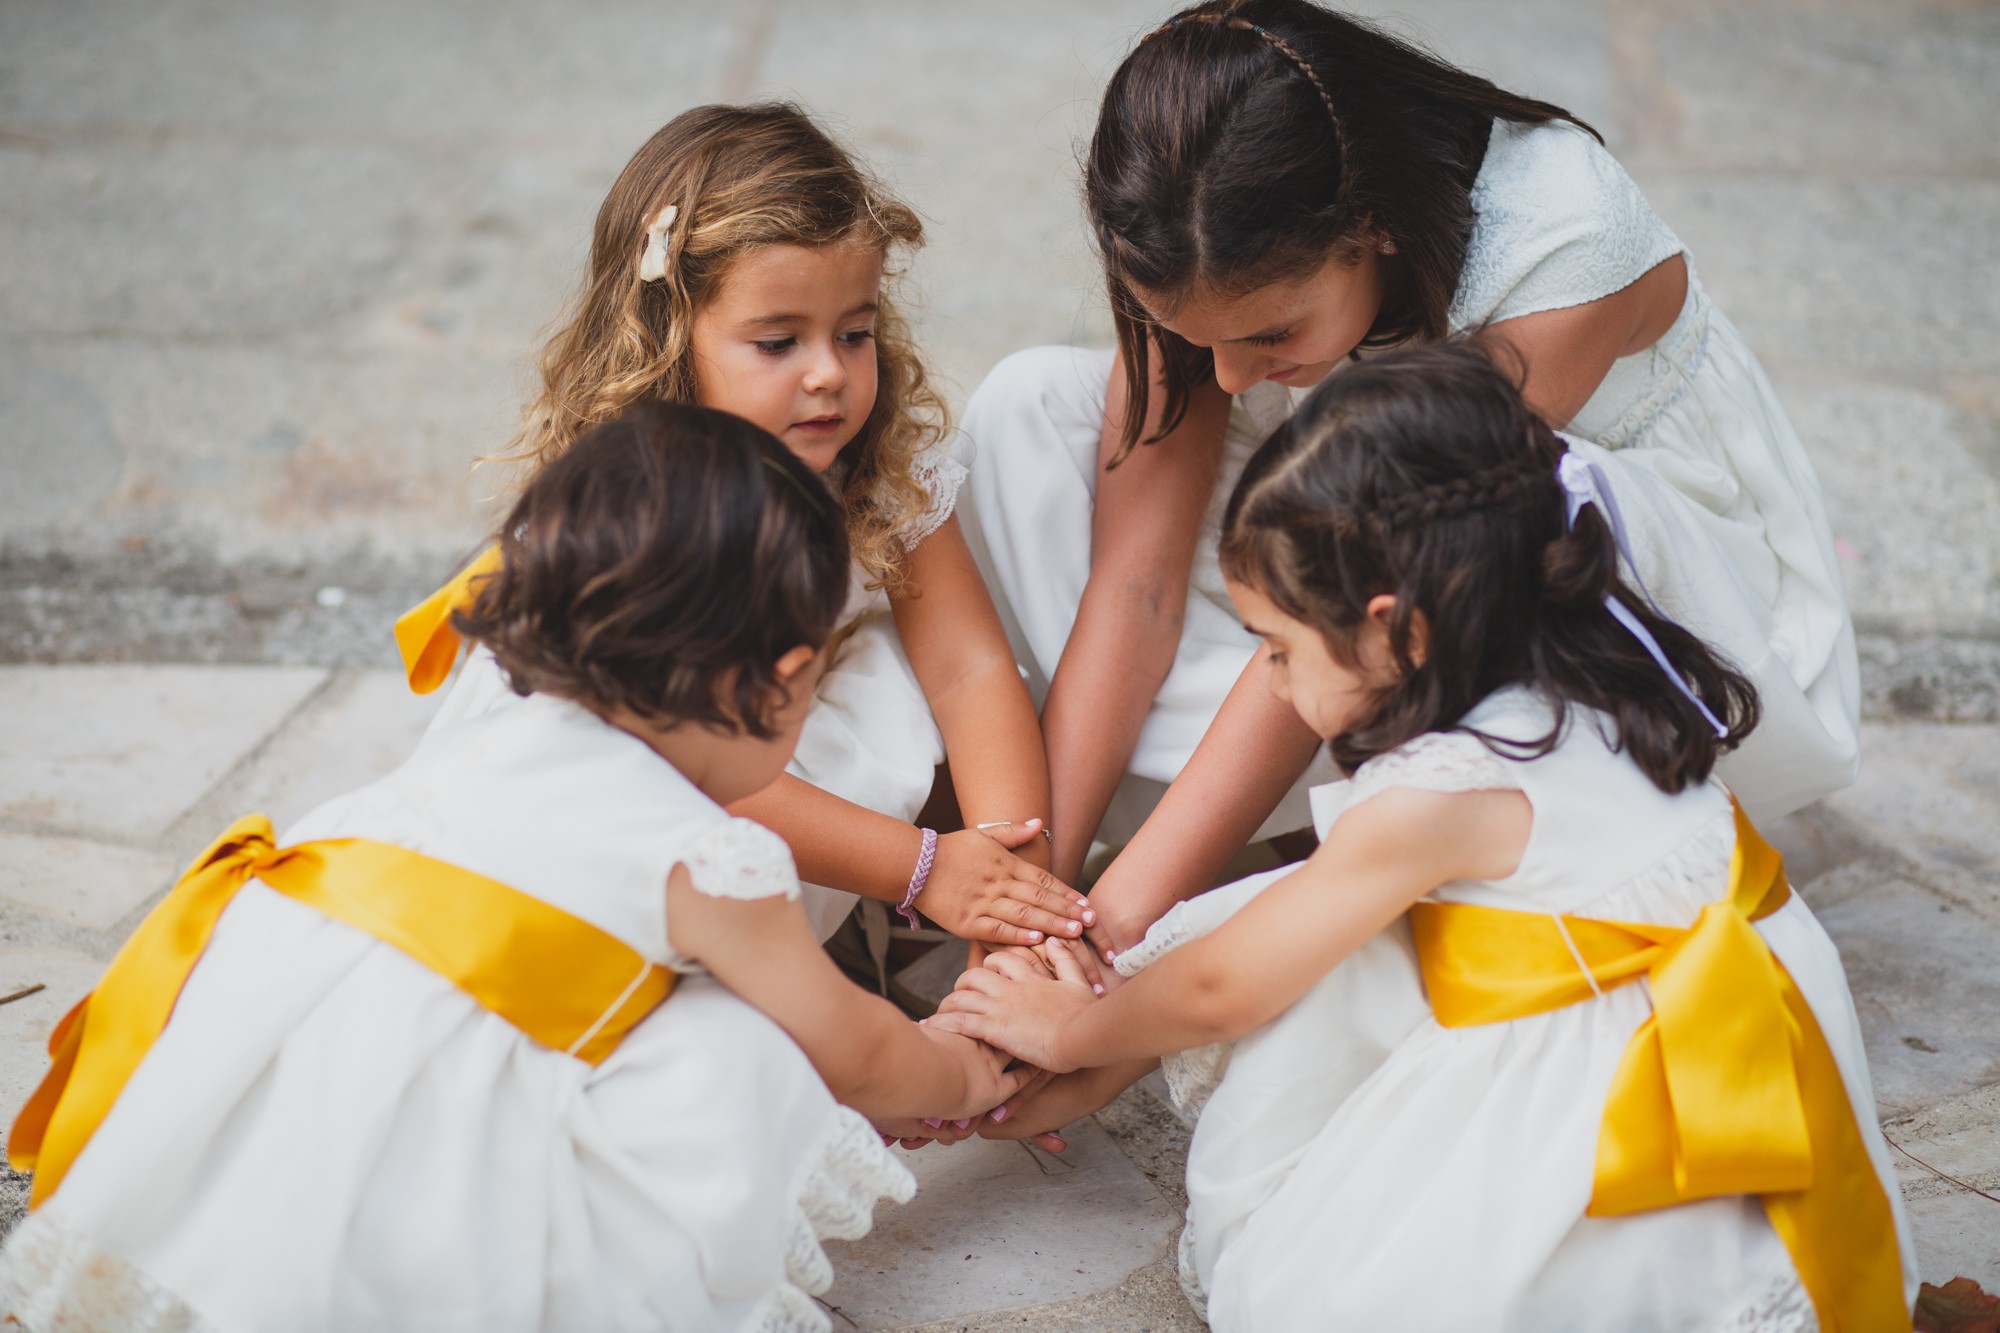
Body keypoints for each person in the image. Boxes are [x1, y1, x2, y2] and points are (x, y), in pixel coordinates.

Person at [939, 345, 1914, 1331]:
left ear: (1396, 630)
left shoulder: (1440, 795)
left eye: (1276, 648)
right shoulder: (1591, 651)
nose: (1269, 683)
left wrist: (1068, 1030)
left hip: (1627, 1086)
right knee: (1330, 926)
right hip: (1756, 1014)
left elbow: (1223, 983)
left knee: (1349, 1271)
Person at [0, 403, 1034, 1332]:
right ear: (786, 679)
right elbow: (851, 1049)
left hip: (259, 1039)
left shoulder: (499, 716)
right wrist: (959, 1064)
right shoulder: (712, 856)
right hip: (416, 1130)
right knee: (743, 1056)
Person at [957, 0, 1858, 959]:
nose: (1225, 377)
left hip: (1606, 596)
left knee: (1546, 499)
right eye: (1194, 339)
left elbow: (1339, 604)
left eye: (1268, 336)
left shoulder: (1562, 246)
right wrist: (1031, 901)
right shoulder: (1185, 239)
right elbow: (1134, 587)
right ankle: (1275, 821)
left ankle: (1337, 829)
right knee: (1033, 410)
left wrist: (1114, 930)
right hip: (1338, 598)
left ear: (1373, 225)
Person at [396, 103, 1089, 963]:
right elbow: (679, 764)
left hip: (756, 753)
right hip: (631, 817)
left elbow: (970, 667)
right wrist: (924, 869)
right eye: (777, 342)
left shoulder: (874, 468)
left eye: (855, 333)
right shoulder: (643, 513)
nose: (830, 373)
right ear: (668, 341)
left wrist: (1011, 886)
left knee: (900, 664)